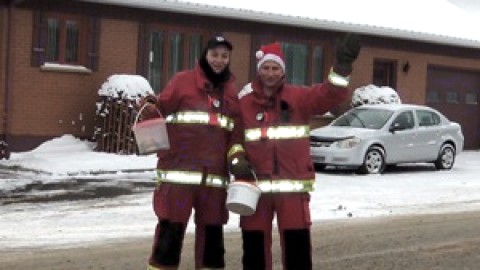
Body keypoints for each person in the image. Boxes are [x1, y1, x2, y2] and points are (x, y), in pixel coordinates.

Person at [228, 33, 361, 270]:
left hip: (293, 190)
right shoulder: (244, 102)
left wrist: (342, 67)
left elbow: (330, 94)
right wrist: (237, 158)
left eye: (275, 68)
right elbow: (235, 138)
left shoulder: (299, 98)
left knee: (297, 249)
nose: (270, 73)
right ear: (259, 70)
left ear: (283, 71)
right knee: (254, 250)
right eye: (266, 68)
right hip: (254, 190)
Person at [140, 34, 238, 270]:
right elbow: (160, 108)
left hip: (214, 181)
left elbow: (235, 132)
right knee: (169, 237)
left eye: (224, 56)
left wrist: (238, 157)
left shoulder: (231, 92)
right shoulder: (182, 82)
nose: (219, 60)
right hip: (177, 176)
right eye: (214, 54)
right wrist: (149, 106)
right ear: (205, 55)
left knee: (212, 243)